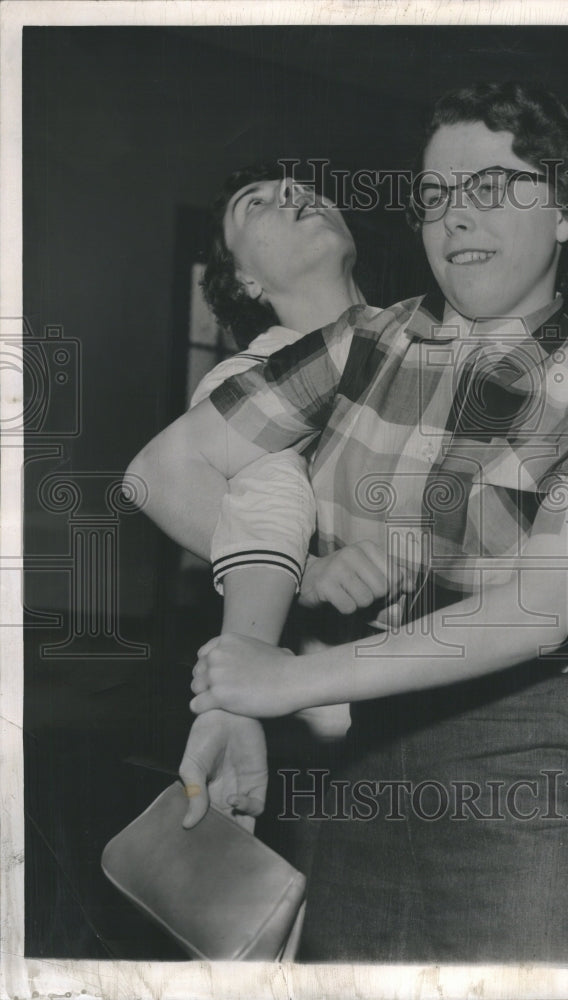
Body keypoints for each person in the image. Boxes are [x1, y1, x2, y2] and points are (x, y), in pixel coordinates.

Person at [128, 80, 568, 963]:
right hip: (363, 753)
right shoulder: (362, 341)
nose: (456, 217)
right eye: (435, 197)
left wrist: (288, 681)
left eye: (490, 187)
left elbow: (538, 610)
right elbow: (164, 470)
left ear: (566, 207)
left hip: (526, 748)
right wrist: (306, 575)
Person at [159, 162, 394, 831]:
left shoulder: (429, 337)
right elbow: (257, 494)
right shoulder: (248, 382)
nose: (292, 193)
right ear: (244, 281)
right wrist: (314, 572)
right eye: (254, 204)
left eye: (297, 186)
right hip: (335, 731)